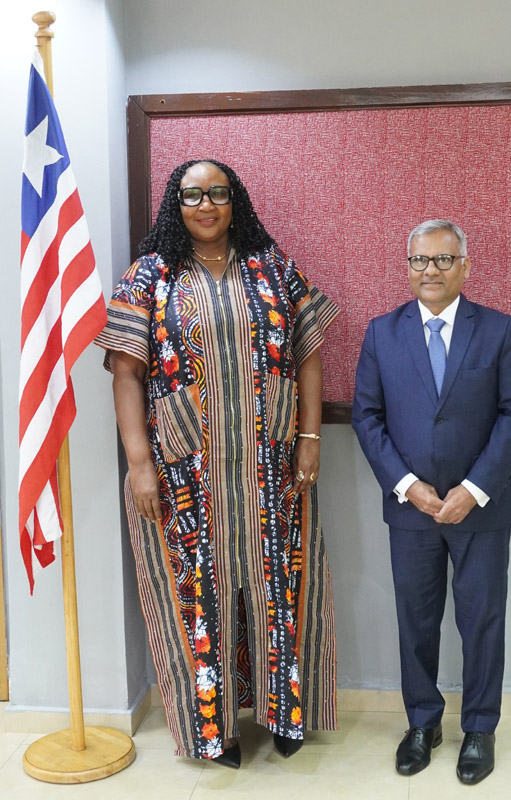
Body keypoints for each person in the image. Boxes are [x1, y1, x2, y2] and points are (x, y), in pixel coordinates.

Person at [95, 159, 339, 768]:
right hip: (184, 471)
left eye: (218, 193)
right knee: (197, 595)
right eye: (192, 194)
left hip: (270, 463)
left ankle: (286, 715)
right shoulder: (150, 276)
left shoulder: (274, 268)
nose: (206, 205)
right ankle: (215, 730)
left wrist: (309, 435)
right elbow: (126, 372)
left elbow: (308, 353)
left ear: (237, 201)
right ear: (175, 205)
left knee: (279, 584)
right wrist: (138, 462)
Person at [352, 219, 511, 785]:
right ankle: (423, 723)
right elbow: (367, 416)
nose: (430, 270)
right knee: (416, 620)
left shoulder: (499, 330)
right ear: (407, 268)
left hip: (480, 508)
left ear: (464, 267)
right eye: (420, 261)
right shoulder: (381, 333)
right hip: (411, 509)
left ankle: (479, 728)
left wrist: (473, 489)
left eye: (443, 260)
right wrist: (408, 485)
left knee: (482, 619)